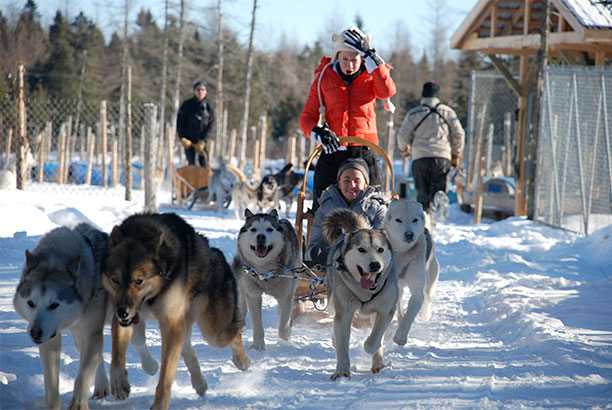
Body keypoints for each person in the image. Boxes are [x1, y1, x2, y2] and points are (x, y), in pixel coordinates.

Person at [299, 26, 396, 205]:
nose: (349, 65)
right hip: (333, 150)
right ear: (337, 56)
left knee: (374, 206)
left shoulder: (372, 76)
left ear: (362, 58)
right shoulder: (324, 79)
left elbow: (388, 91)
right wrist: (318, 132)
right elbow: (306, 119)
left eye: (354, 59)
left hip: (365, 152)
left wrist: (372, 57)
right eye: (344, 59)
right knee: (323, 206)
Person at [396, 81, 465, 213]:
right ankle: (438, 203)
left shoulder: (414, 113)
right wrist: (456, 154)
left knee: (422, 194)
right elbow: (459, 134)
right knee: (438, 189)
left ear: (423, 94)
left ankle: (426, 216)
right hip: (442, 156)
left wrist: (404, 150)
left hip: (420, 157)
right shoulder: (448, 112)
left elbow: (402, 136)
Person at [305, 158, 388, 265]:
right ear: (339, 184)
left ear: (365, 184)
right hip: (332, 266)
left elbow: (381, 244)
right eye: (347, 180)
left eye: (357, 181)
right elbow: (313, 244)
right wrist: (318, 253)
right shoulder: (326, 206)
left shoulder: (377, 208)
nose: (351, 185)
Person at [177, 81, 215, 168]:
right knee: (192, 164)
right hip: (189, 142)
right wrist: (183, 138)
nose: (200, 92)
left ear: (206, 92)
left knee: (204, 165)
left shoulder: (209, 107)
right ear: (194, 91)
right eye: (198, 89)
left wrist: (204, 141)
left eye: (202, 90)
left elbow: (211, 126)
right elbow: (180, 123)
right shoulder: (186, 105)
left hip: (202, 142)